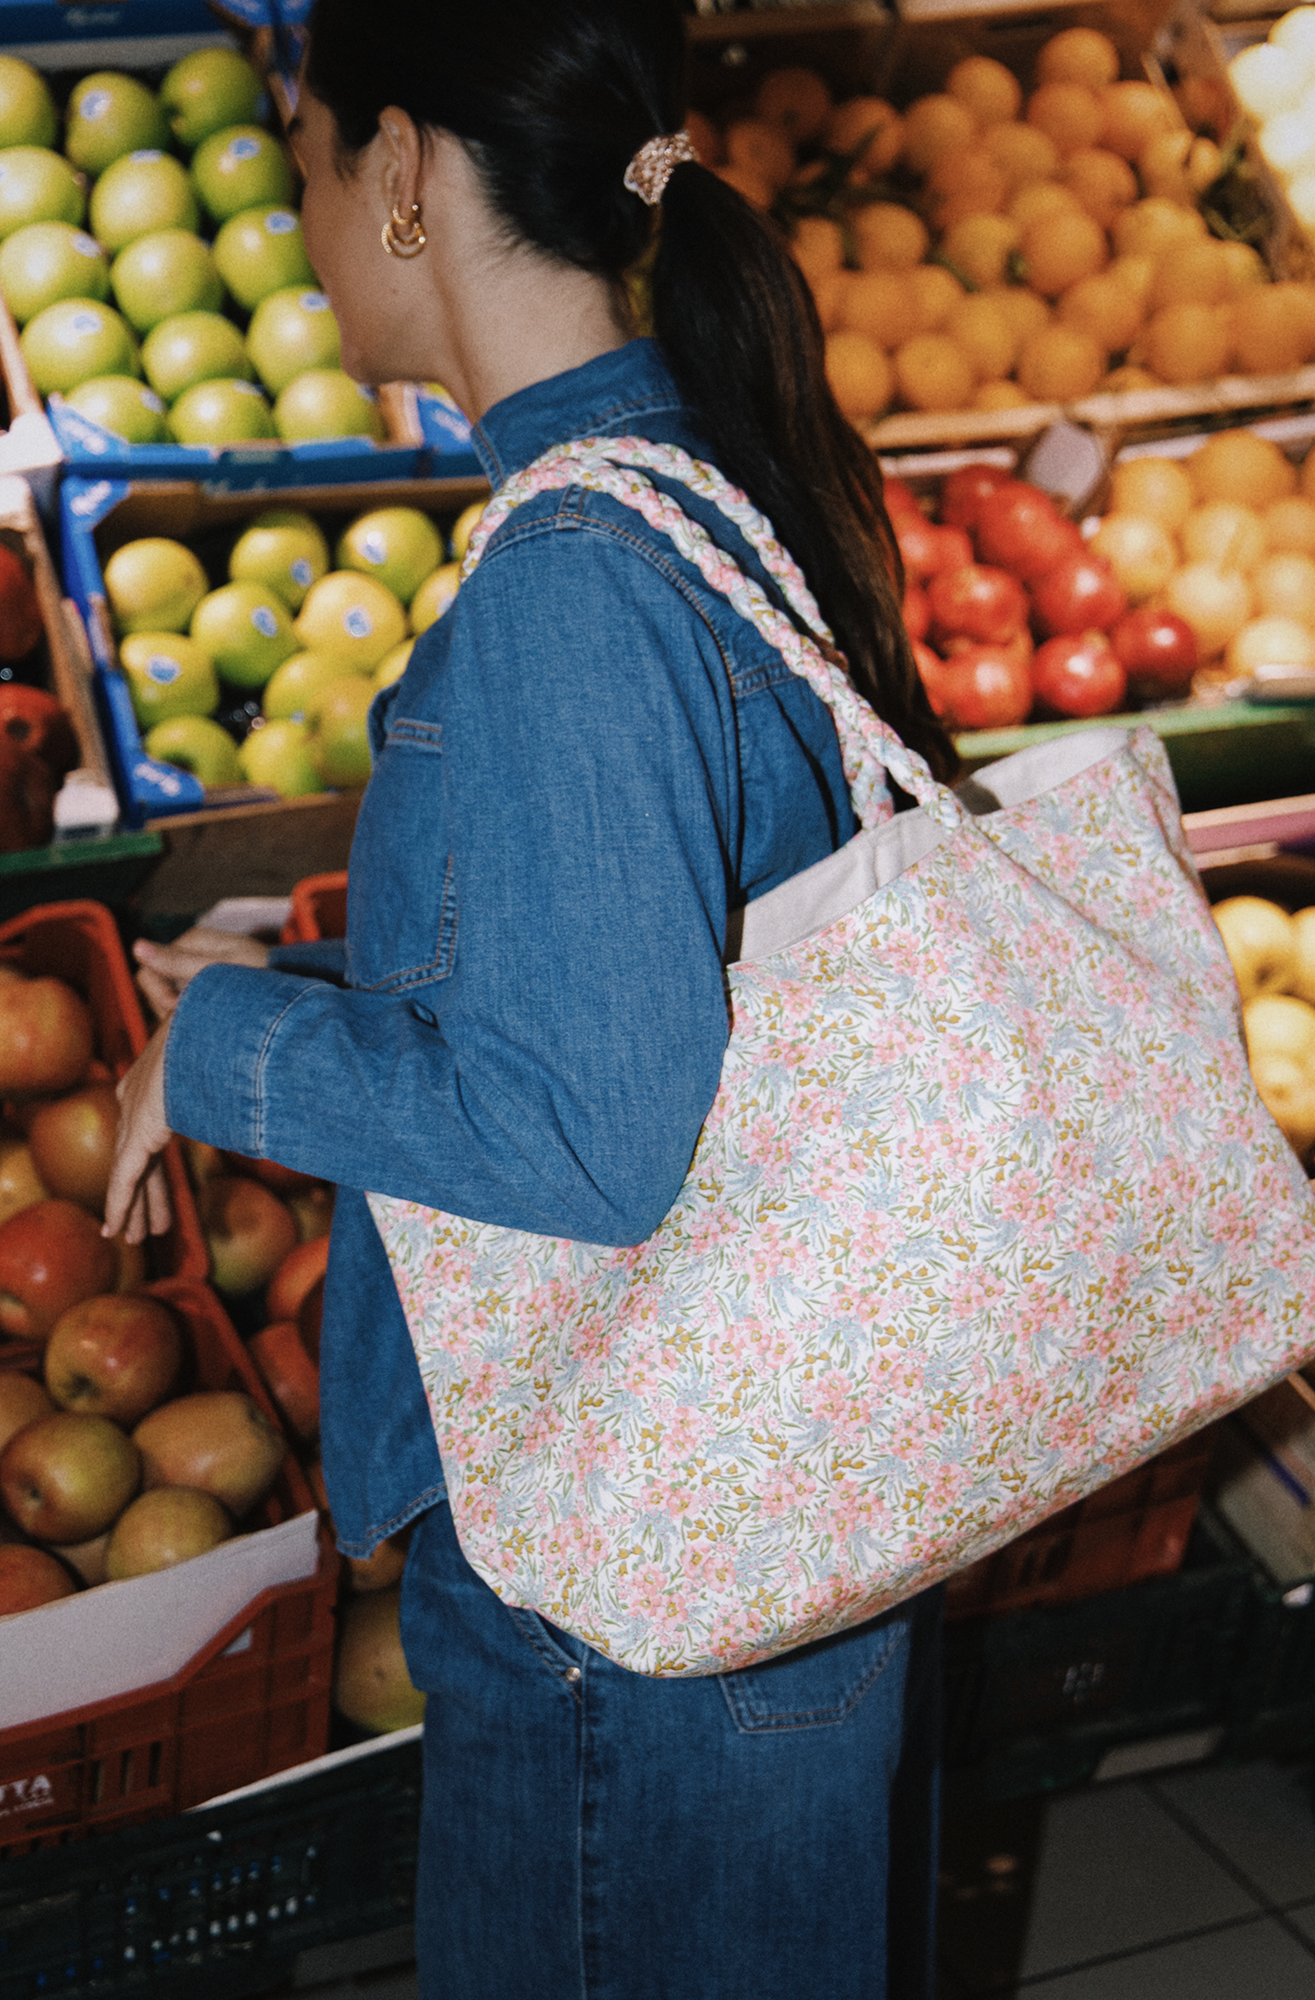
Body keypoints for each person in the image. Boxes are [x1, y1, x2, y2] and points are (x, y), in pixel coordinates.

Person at [106, 4, 958, 1993]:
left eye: (316, 171)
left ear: (401, 172)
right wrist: (324, 973)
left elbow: (590, 1129)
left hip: (629, 1587)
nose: (313, 229)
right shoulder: (698, 477)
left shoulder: (573, 576)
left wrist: (223, 1047)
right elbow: (664, 975)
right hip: (766, 1520)